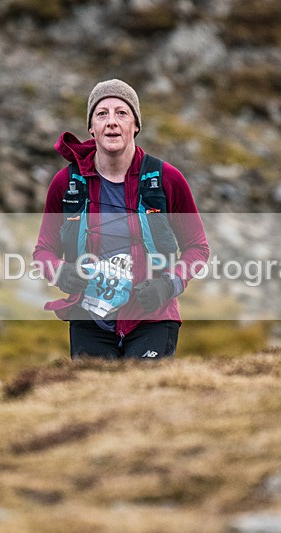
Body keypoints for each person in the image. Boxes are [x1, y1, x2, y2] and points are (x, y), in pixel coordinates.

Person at [33, 79, 209, 359]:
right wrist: (60, 271)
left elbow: (198, 248)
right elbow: (43, 251)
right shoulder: (67, 184)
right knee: (94, 400)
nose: (111, 122)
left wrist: (168, 285)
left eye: (122, 113)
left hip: (152, 317)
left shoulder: (166, 179)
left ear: (135, 125)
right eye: (102, 114)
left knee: (143, 397)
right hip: (88, 319)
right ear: (91, 127)